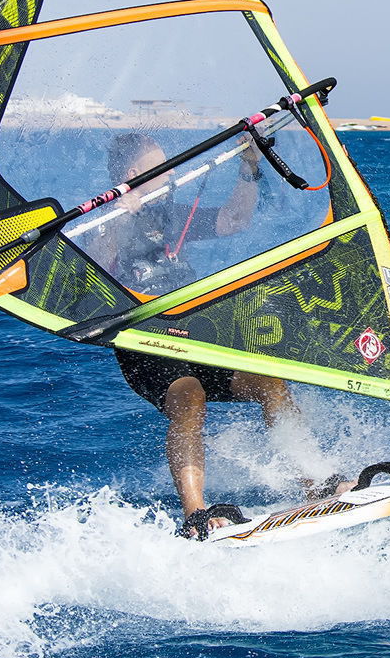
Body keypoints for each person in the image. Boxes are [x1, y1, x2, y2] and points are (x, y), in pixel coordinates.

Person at [91, 133, 347, 540]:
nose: (171, 172)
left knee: (269, 382)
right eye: (161, 166)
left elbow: (233, 221)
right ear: (134, 173)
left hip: (193, 332)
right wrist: (121, 217)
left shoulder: (168, 215)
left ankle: (314, 482)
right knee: (190, 396)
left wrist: (249, 167)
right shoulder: (105, 221)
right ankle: (195, 514)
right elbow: (97, 265)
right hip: (146, 345)